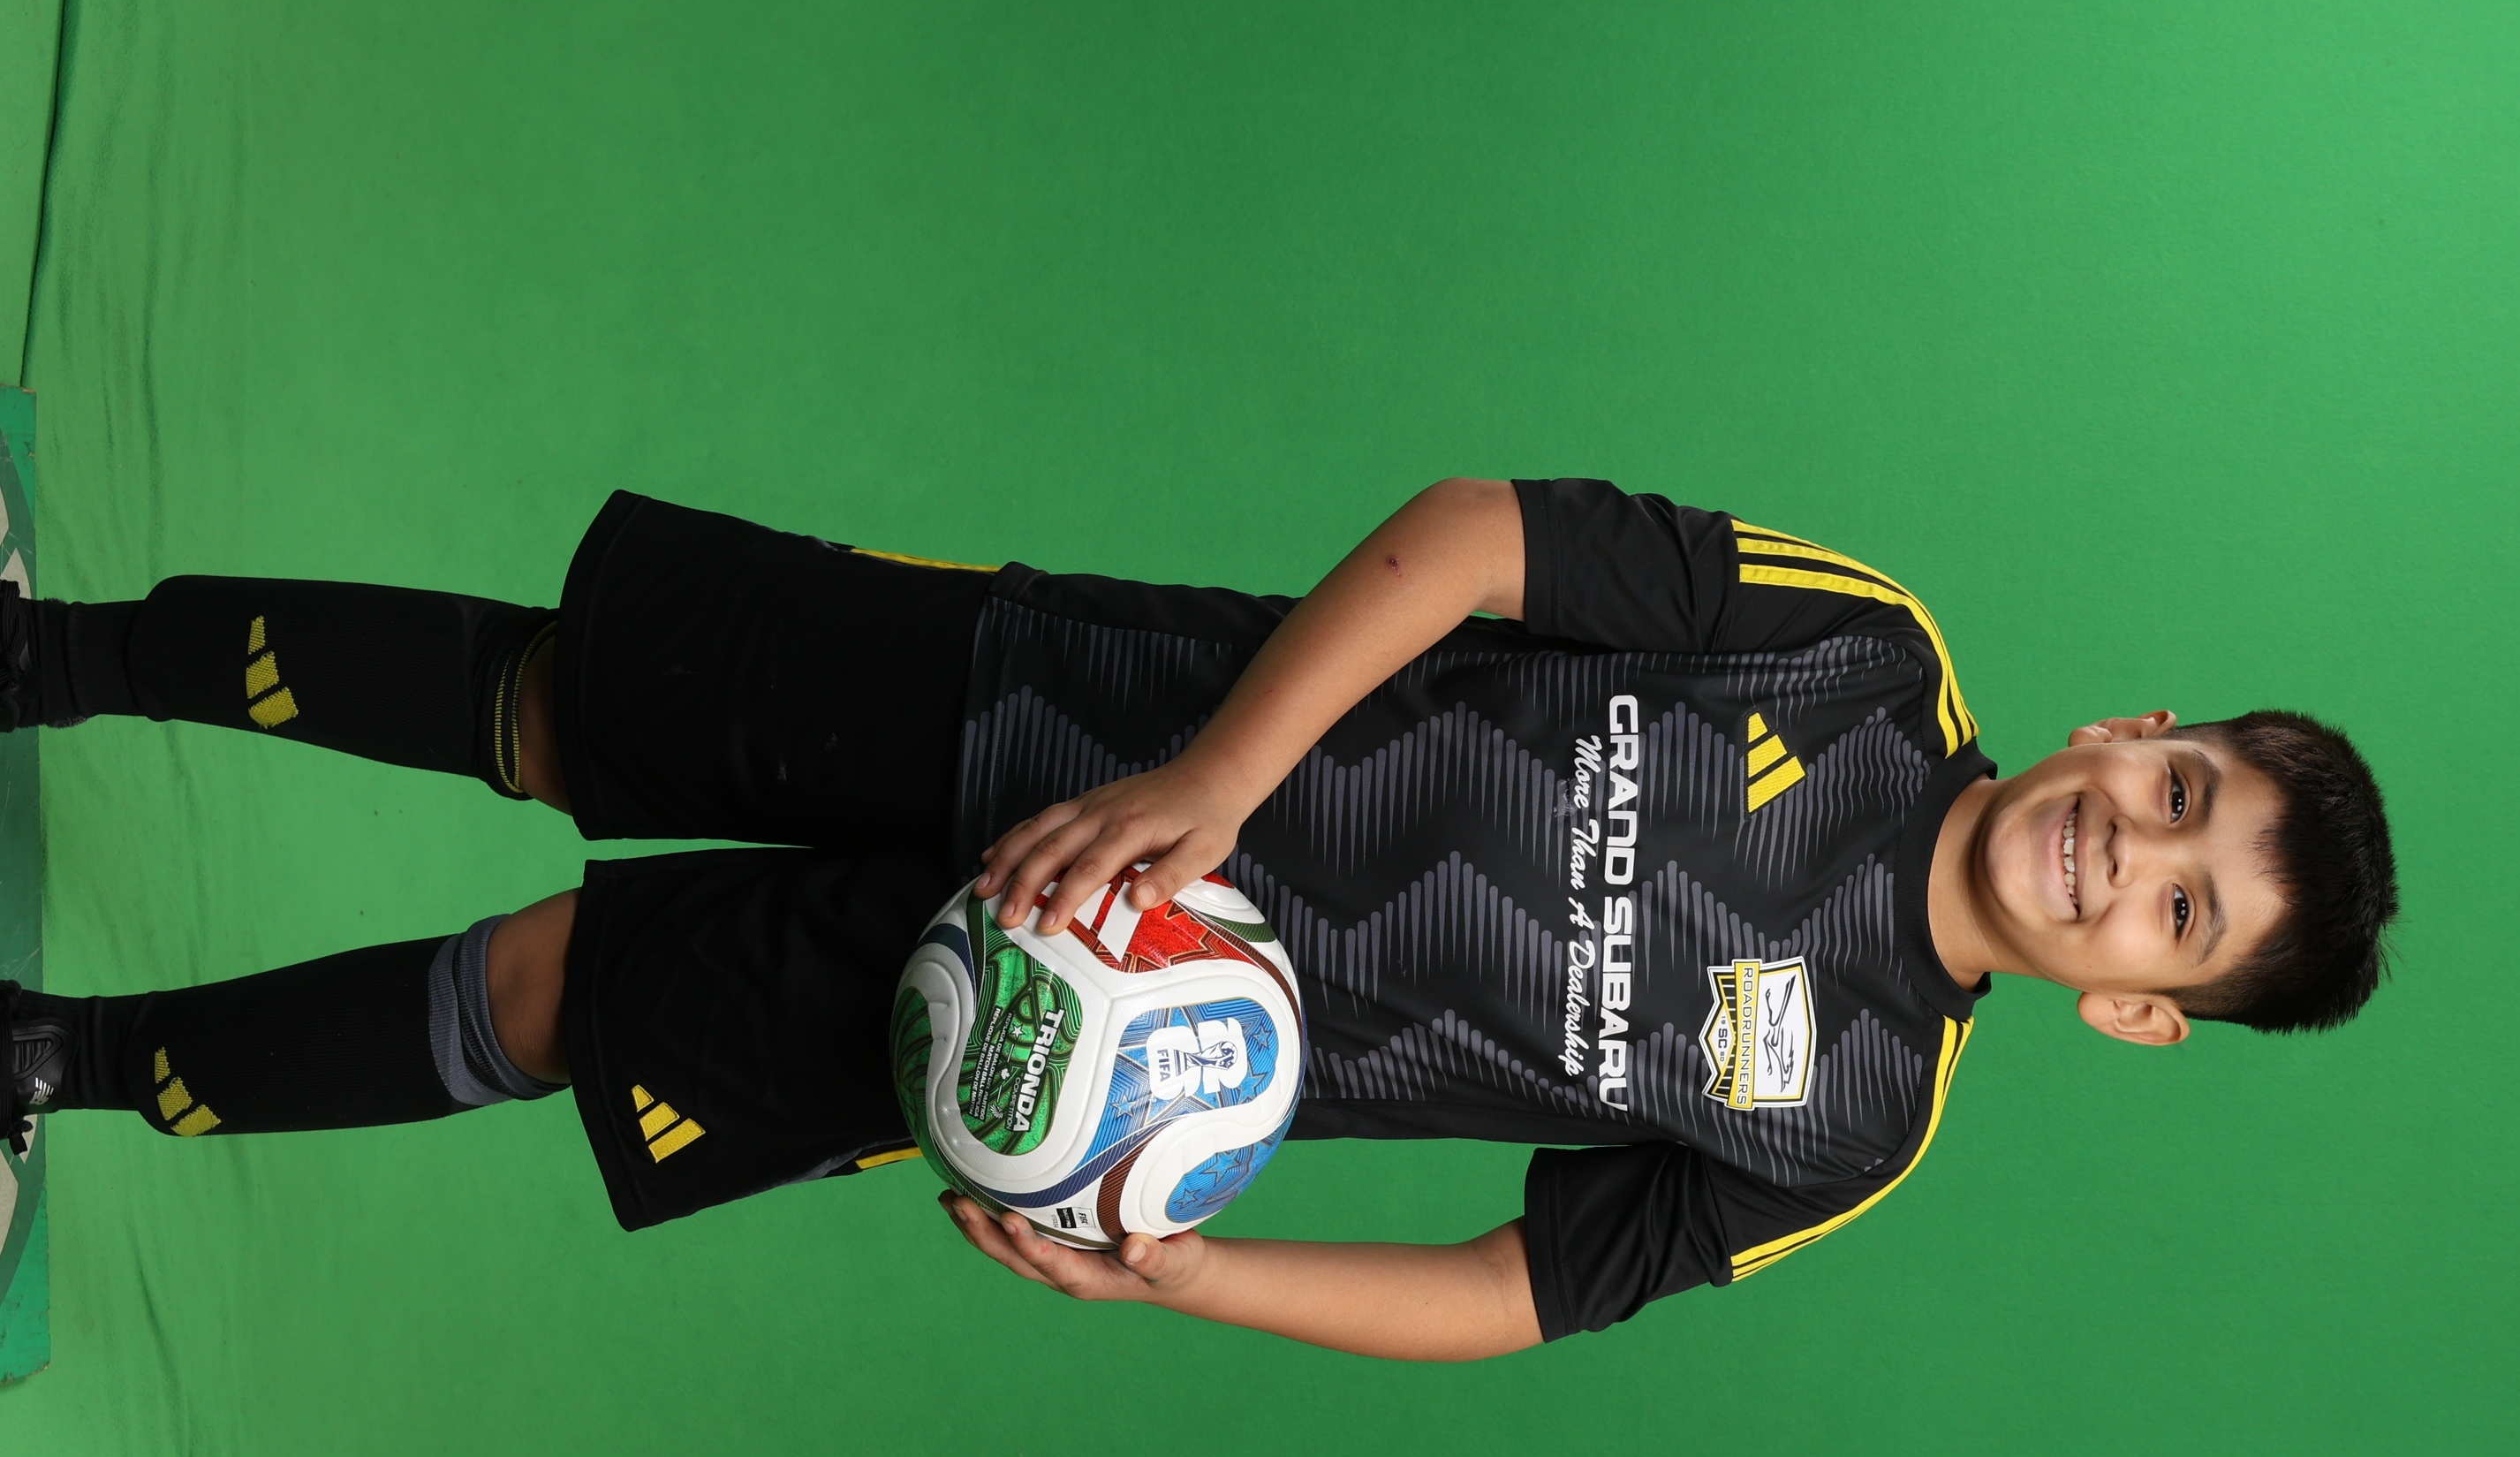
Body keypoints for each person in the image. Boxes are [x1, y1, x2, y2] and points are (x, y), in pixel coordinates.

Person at [0, 479, 2396, 1358]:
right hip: (1055, 704)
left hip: (1049, 1038)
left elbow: (1520, 1293)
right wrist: (1208, 781)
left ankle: (52, 1064)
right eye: (2174, 792)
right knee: (550, 707)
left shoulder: (1853, 1122)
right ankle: (55, 651)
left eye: (2180, 916)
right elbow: (1482, 539)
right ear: (2131, 728)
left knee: (550, 1004)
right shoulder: (1861, 658)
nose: (2131, 852)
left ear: (2137, 1012)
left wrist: (1190, 1272)